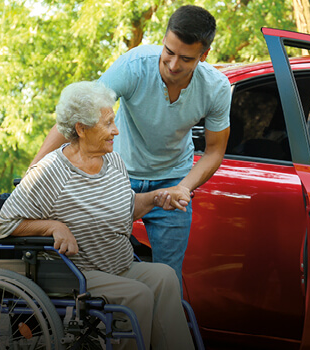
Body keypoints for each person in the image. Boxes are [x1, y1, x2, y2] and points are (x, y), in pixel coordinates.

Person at [30, 5, 231, 288]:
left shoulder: (216, 88)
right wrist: (36, 168)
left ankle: (161, 330)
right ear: (163, 40)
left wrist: (184, 187)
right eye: (168, 52)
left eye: (185, 58)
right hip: (117, 177)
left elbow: (214, 151)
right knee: (101, 268)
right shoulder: (135, 65)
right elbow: (81, 114)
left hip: (172, 179)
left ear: (204, 55)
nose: (173, 65)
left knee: (168, 278)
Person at [0, 81, 195, 350]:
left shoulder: (113, 161)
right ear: (81, 128)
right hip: (80, 273)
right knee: (138, 295)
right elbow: (6, 224)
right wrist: (53, 226)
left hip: (120, 264)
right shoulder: (51, 172)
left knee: (165, 277)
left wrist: (157, 198)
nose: (116, 130)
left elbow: (125, 207)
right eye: (108, 123)